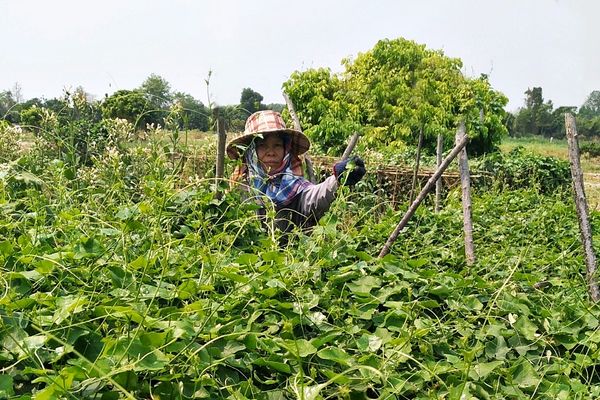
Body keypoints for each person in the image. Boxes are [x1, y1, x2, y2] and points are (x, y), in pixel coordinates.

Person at [226, 110, 366, 235]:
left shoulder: (294, 186)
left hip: (290, 260)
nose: (271, 153)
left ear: (286, 150)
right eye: (262, 146)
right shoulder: (239, 188)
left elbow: (314, 198)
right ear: (251, 151)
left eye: (277, 145)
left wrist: (337, 179)